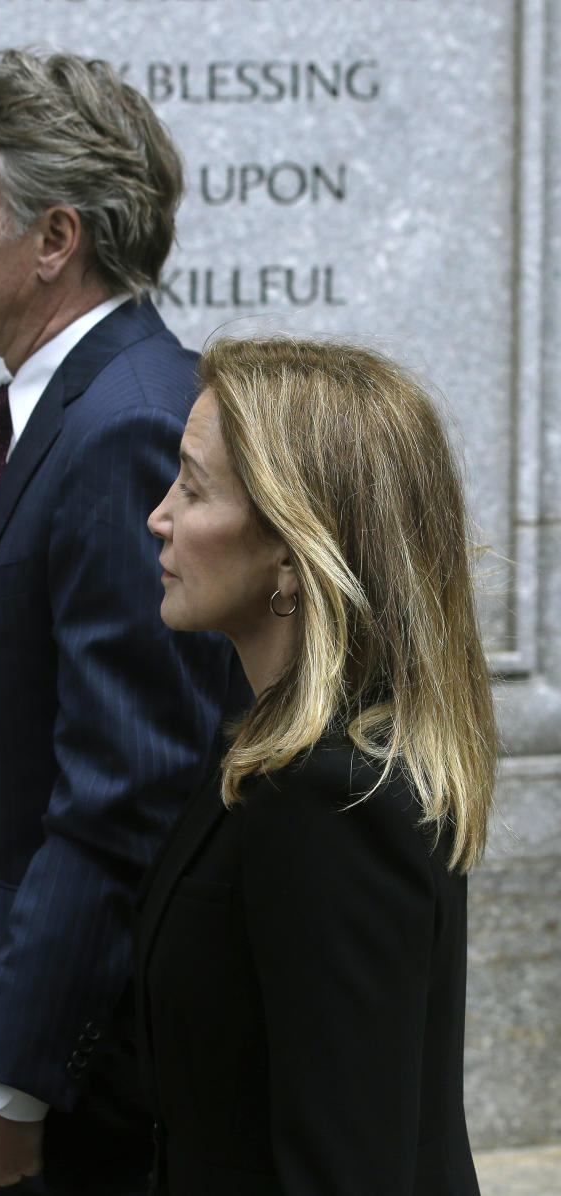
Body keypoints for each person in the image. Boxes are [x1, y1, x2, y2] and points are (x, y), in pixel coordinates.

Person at [0, 49, 238, 1196]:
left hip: (86, 1103)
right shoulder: (66, 411)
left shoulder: (127, 428)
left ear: (56, 239)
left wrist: (5, 1081)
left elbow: (130, 786)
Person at [136, 335, 496, 1194]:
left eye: (192, 486)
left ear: (292, 555)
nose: (160, 515)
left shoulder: (332, 797)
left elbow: (346, 1166)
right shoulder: (279, 749)